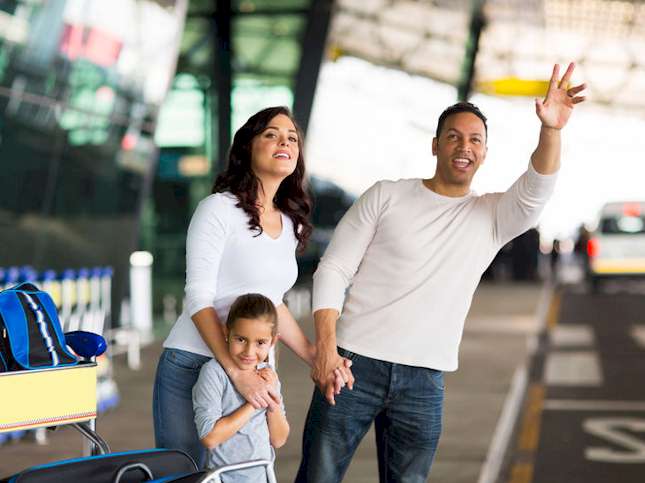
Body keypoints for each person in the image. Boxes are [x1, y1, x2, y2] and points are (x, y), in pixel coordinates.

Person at [296, 63, 586, 482]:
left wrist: (552, 131)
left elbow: (537, 186)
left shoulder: (491, 216)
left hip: (424, 379)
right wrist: (326, 347)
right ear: (435, 145)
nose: (463, 146)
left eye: (474, 140)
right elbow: (334, 269)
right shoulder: (386, 195)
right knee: (318, 477)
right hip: (353, 363)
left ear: (484, 152)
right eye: (453, 137)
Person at [153, 106, 345, 468]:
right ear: (248, 148)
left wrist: (317, 356)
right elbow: (198, 298)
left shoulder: (290, 224)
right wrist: (237, 374)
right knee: (186, 474)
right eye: (271, 134)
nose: (284, 142)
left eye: (292, 138)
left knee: (244, 471)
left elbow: (272, 304)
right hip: (195, 362)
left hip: (253, 366)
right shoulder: (218, 210)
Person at [193, 293, 288, 482]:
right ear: (226, 332)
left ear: (273, 341)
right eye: (241, 339)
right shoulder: (214, 373)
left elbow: (278, 439)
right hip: (223, 478)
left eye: (260, 343)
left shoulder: (268, 375)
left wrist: (272, 402)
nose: (249, 352)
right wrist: (254, 403)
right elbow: (210, 438)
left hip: (264, 476)